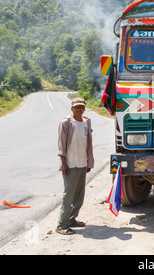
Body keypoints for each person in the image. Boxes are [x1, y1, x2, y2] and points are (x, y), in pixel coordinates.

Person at [56, 97, 94, 235]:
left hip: (82, 164)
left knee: (79, 196)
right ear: (72, 109)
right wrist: (64, 163)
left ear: (84, 108)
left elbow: (88, 144)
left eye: (81, 107)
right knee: (68, 196)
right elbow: (61, 145)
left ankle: (71, 219)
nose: (79, 109)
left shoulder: (87, 122)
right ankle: (61, 225)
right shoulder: (66, 123)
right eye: (76, 107)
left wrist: (89, 162)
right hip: (70, 165)